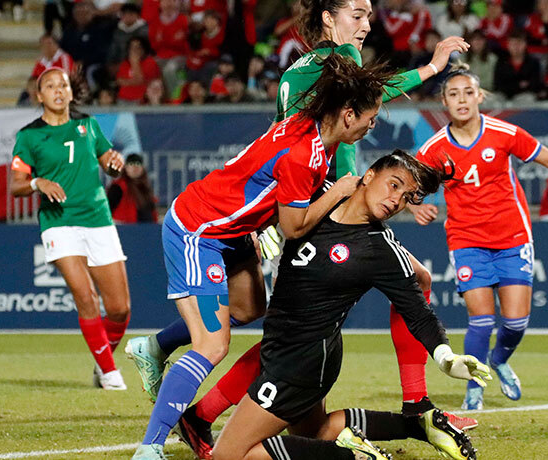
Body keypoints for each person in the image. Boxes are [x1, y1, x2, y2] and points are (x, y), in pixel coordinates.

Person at [127, 4, 476, 457]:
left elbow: (359, 101)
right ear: (329, 19)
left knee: (265, 313)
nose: (366, 24)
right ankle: (152, 445)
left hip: (263, 215)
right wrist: (336, 194)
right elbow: (295, 203)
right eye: (357, 13)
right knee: (231, 339)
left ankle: (167, 362)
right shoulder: (320, 118)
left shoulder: (313, 93)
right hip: (216, 224)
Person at [130, 54, 395, 460]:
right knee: (212, 345)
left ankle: (156, 346)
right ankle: (149, 448)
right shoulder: (305, 155)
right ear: (346, 115)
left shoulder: (309, 124)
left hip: (230, 231)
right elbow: (295, 227)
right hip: (199, 231)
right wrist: (338, 192)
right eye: (370, 117)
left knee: (252, 308)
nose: (372, 125)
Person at [209, 152, 493, 460]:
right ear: (369, 175)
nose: (395, 200)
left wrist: (445, 355)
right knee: (314, 433)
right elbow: (270, 197)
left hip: (301, 364)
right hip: (285, 348)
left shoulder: (380, 249)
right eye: (393, 185)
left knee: (227, 456)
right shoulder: (322, 195)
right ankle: (419, 425)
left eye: (405, 197)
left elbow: (418, 312)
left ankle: (352, 456)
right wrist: (259, 229)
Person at [411, 65, 548, 411]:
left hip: (512, 236)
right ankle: (474, 385)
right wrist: (415, 206)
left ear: (480, 97)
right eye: (453, 94)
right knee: (481, 319)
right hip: (466, 240)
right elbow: (407, 181)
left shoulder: (503, 133)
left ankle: (498, 360)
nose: (462, 100)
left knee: (515, 321)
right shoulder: (435, 148)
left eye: (468, 92)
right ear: (444, 102)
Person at [9, 67, 131, 391]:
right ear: (39, 96)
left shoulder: (88, 126)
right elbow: (15, 184)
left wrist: (116, 166)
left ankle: (101, 361)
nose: (58, 90)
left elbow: (109, 163)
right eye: (49, 86)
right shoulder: (29, 135)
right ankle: (109, 372)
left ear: (71, 93)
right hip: (58, 222)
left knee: (120, 309)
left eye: (62, 85)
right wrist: (37, 181)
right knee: (86, 296)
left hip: (98, 219)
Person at [107, 153, 158, 223]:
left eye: (138, 164)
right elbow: (107, 211)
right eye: (131, 164)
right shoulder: (118, 187)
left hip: (147, 230)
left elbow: (153, 212)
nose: (135, 167)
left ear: (142, 168)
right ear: (126, 168)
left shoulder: (146, 189)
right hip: (125, 230)